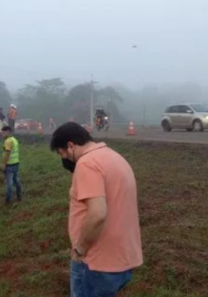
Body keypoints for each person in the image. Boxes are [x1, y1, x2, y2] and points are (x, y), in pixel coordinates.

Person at [49, 122, 143, 297]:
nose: (64, 159)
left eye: (62, 153)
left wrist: (79, 250)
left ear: (70, 145)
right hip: (122, 256)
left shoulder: (87, 164)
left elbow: (97, 214)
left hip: (96, 262)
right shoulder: (113, 157)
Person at [0, 126, 22, 204]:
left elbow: (7, 153)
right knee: (17, 181)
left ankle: (8, 200)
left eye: (3, 133)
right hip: (16, 163)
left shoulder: (8, 141)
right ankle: (19, 196)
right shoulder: (14, 140)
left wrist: (3, 164)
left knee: (9, 183)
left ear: (7, 132)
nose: (2, 134)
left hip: (9, 165)